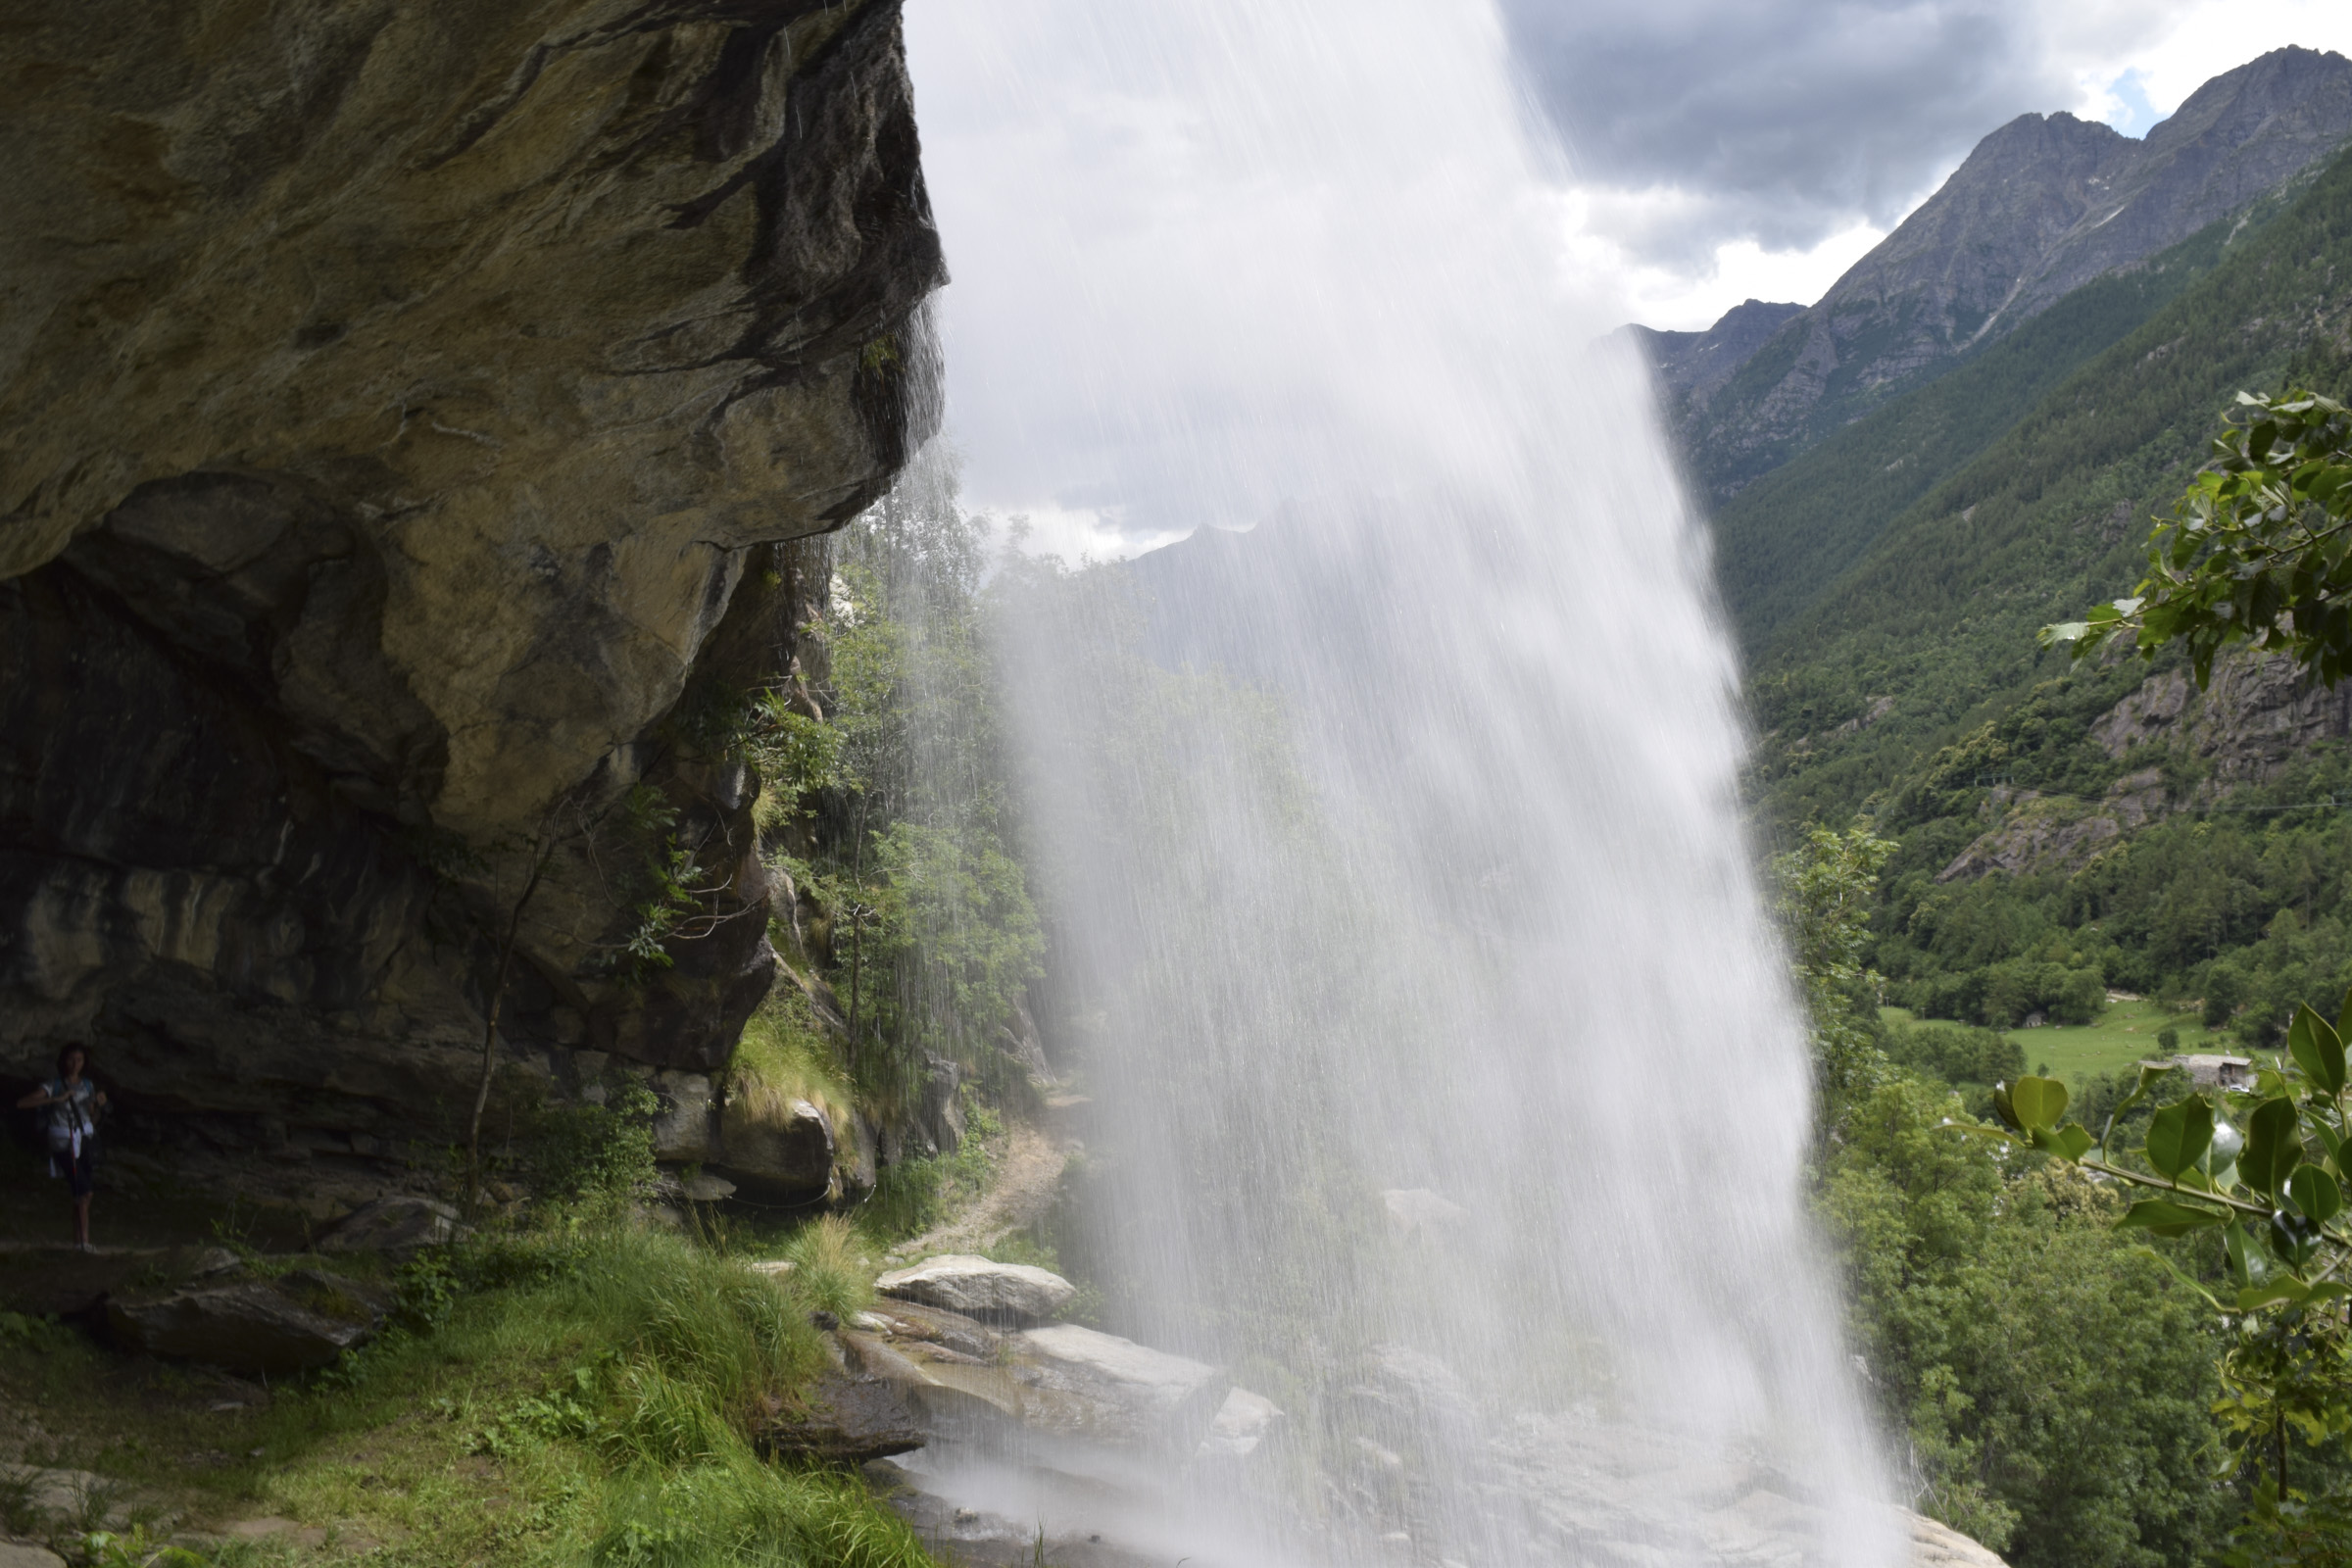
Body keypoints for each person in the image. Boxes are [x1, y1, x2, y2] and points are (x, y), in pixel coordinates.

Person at [17, 1045, 107, 1250]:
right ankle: (83, 1242)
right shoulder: (54, 1084)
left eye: (79, 1060)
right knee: (85, 1193)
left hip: (84, 1139)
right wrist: (55, 1099)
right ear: (64, 1061)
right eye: (71, 1060)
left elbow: (93, 1115)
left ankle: (80, 1241)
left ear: (85, 1063)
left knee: (81, 1195)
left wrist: (99, 1104)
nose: (75, 1064)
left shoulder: (87, 1085)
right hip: (63, 1141)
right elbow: (22, 1103)